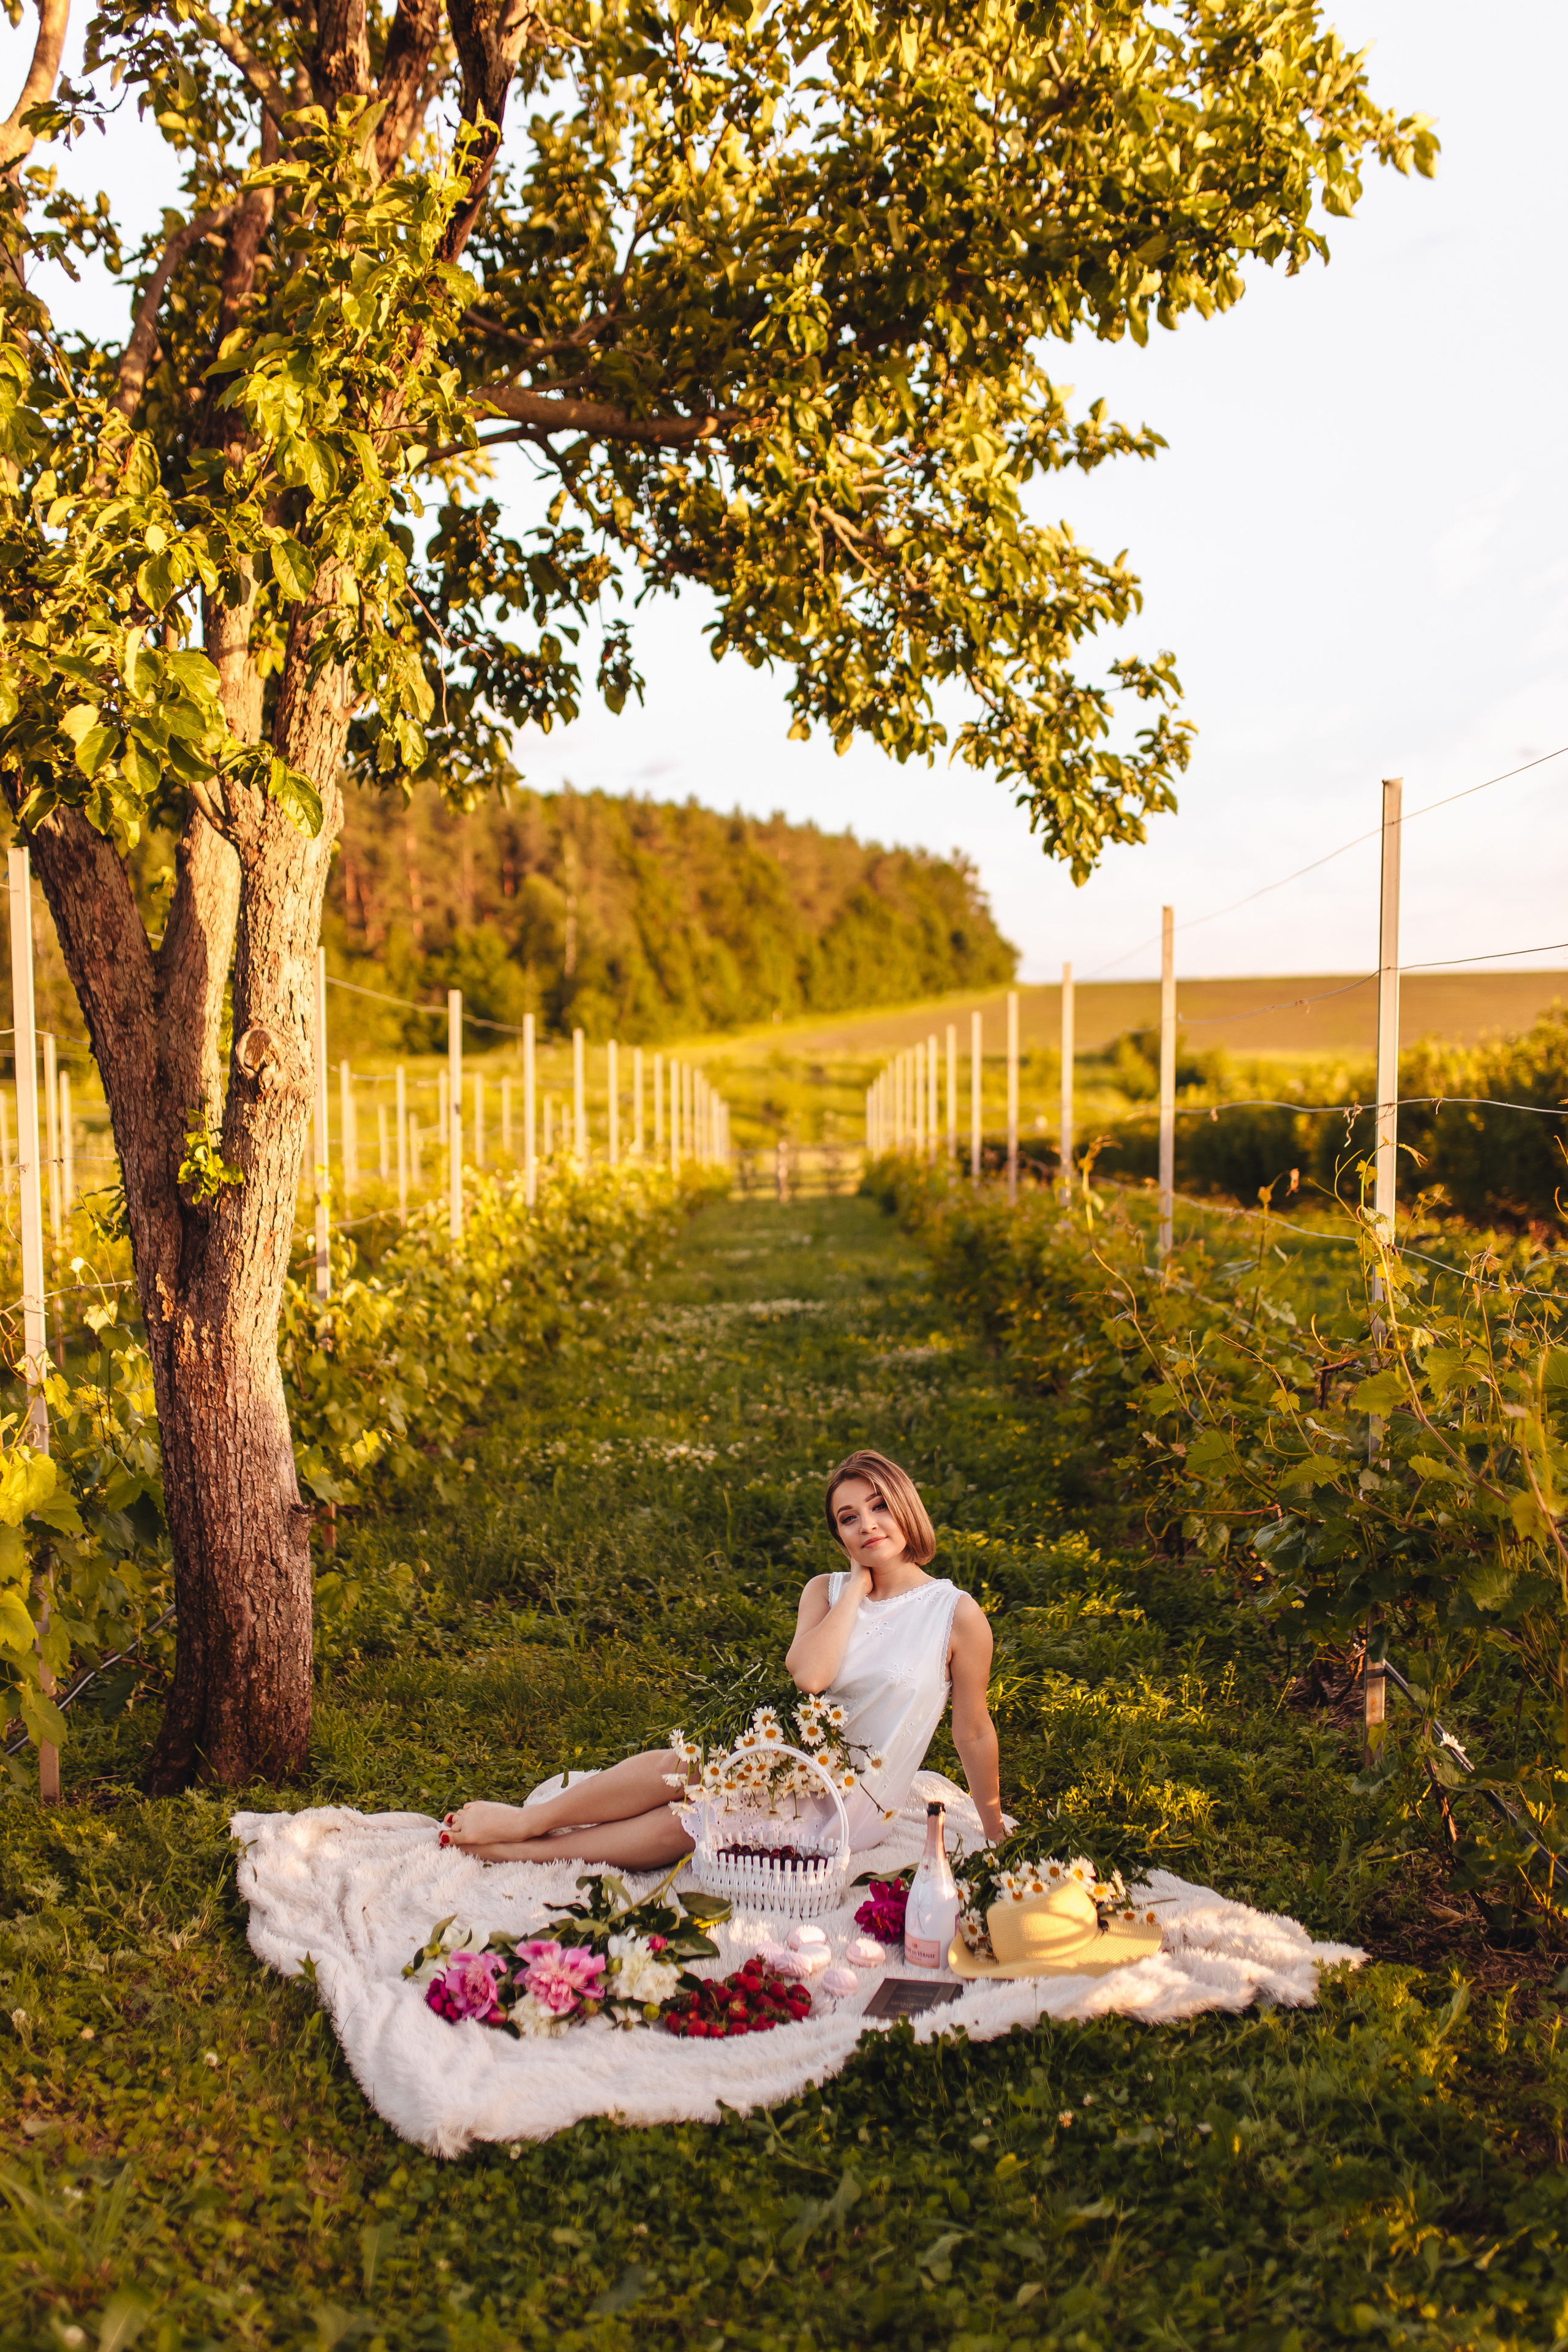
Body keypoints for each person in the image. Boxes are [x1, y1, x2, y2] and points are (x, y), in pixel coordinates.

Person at [440, 1447, 1006, 1866]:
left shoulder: (954, 1614)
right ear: (839, 1536)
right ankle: (528, 1821)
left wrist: (993, 1826)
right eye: (849, 1518)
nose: (868, 1525)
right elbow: (810, 1674)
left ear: (906, 1507)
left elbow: (974, 1730)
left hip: (849, 1800)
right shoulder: (826, 1591)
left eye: (879, 1506)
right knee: (683, 1763)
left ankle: (525, 1851)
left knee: (690, 1822)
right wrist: (859, 1587)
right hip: (788, 1753)